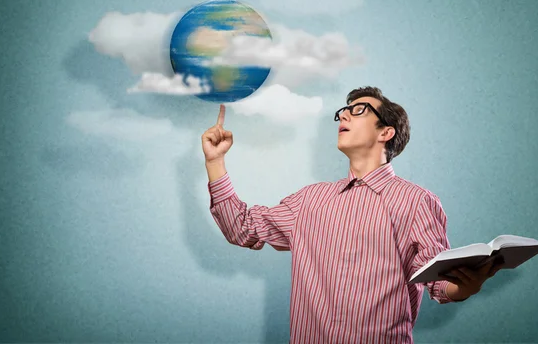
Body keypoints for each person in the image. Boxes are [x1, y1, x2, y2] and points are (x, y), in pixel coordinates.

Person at [201, 86, 503, 343]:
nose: (343, 115)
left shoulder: (416, 202)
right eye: (343, 111)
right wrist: (215, 162)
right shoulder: (309, 201)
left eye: (358, 110)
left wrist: (466, 286)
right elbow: (241, 228)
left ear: (386, 131)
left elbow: (437, 280)